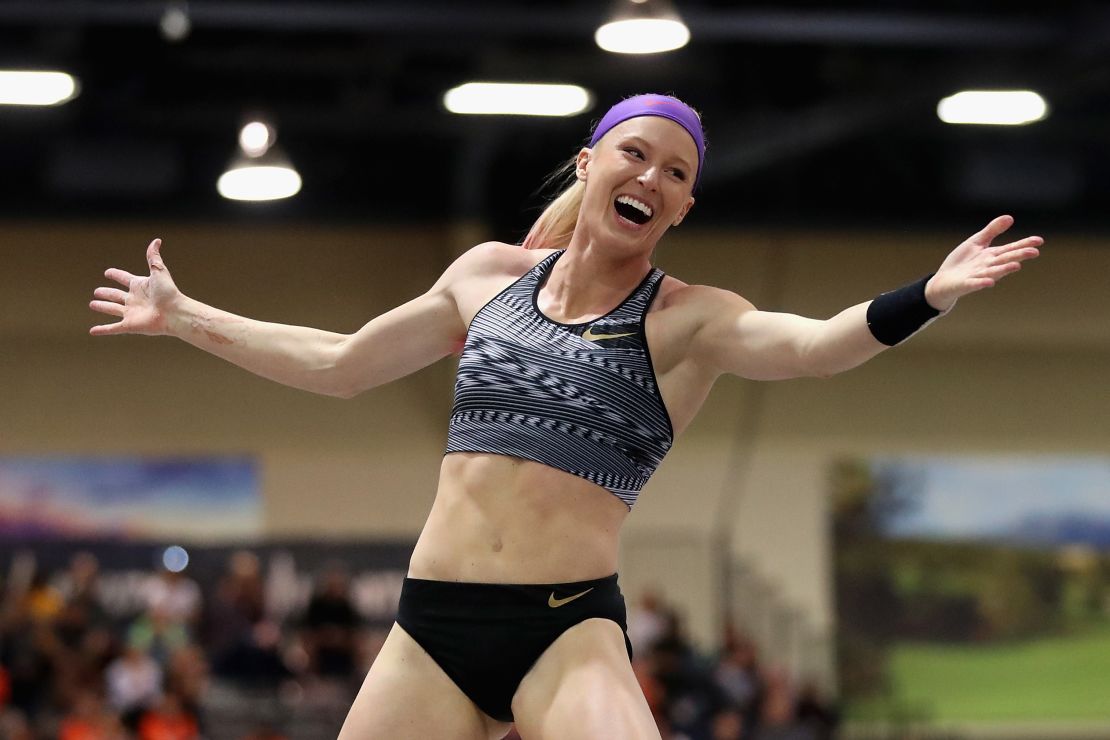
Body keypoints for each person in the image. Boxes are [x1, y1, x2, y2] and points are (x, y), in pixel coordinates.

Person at [89, 93, 1042, 739]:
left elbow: (816, 347)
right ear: (592, 164)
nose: (652, 178)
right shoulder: (485, 278)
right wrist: (183, 317)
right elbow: (339, 365)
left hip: (563, 630)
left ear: (682, 207)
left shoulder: (686, 320)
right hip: (431, 629)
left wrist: (931, 293)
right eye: (637, 154)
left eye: (676, 173)